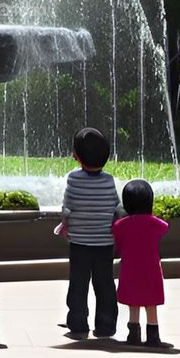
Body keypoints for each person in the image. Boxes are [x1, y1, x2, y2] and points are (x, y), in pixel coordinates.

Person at [60, 127, 121, 340]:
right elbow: (116, 208)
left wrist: (64, 224)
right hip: (104, 242)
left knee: (78, 283)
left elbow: (67, 207)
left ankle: (77, 322)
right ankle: (106, 324)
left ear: (76, 156)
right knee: (104, 283)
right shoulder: (109, 180)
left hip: (79, 242)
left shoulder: (73, 180)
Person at [113, 178, 168, 346]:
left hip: (130, 270)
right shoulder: (155, 224)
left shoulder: (121, 225)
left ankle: (133, 334)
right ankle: (153, 335)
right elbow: (165, 227)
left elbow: (116, 236)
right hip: (151, 270)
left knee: (133, 302)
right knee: (151, 303)